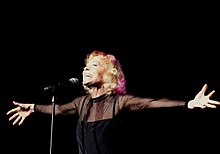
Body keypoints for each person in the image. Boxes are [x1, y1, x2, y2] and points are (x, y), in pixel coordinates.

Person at [6, 50, 220, 154]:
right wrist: (33, 108)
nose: (85, 69)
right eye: (85, 67)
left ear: (108, 73)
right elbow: (59, 109)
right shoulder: (81, 103)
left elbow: (152, 102)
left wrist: (187, 104)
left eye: (94, 65)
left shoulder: (119, 102)